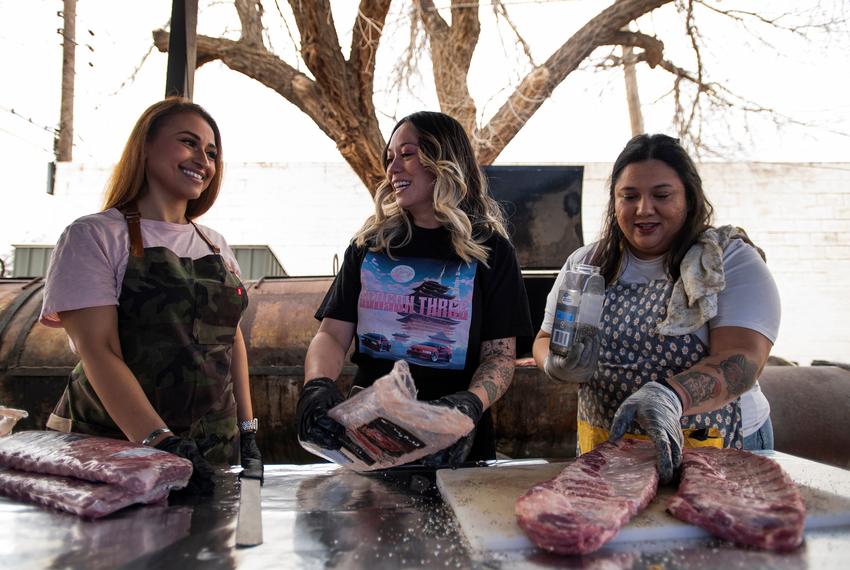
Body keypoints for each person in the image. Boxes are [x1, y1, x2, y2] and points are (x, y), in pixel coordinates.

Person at [40, 97, 262, 493]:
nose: (204, 160)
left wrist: (247, 432)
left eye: (211, 152)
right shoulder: (93, 236)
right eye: (188, 142)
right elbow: (98, 350)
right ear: (145, 146)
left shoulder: (216, 245)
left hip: (210, 452)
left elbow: (232, 341)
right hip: (109, 450)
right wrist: (158, 443)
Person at [533, 134, 780, 482]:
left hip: (714, 447)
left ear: (689, 198)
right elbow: (545, 337)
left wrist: (670, 396)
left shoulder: (727, 261)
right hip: (609, 448)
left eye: (662, 196)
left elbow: (743, 359)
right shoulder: (586, 264)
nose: (643, 209)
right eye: (629, 196)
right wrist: (556, 364)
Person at [296, 111, 532, 465]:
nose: (393, 169)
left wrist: (471, 402)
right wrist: (317, 385)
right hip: (369, 434)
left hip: (454, 440)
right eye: (390, 158)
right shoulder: (369, 244)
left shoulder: (490, 248)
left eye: (406, 154)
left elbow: (499, 356)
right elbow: (332, 335)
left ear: (444, 160)